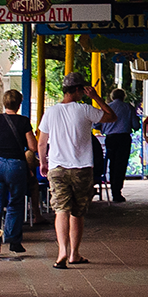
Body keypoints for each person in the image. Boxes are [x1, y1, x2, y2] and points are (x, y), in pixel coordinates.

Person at [38, 71, 116, 268]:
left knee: (61, 210)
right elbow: (111, 116)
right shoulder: (85, 109)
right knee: (78, 212)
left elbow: (42, 143)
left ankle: (61, 251)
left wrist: (43, 163)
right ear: (78, 90)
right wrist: (96, 97)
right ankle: (74, 253)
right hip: (81, 168)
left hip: (57, 168)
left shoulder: (51, 111)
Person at [0, 89, 38, 258]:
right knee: (15, 203)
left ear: (4, 103)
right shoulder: (23, 122)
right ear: (19, 104)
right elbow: (33, 147)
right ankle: (13, 241)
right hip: (16, 165)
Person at [104, 87, 135, 203]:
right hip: (124, 138)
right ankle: (117, 192)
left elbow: (96, 125)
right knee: (121, 165)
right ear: (123, 97)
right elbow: (136, 125)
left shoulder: (107, 107)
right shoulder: (128, 107)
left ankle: (113, 190)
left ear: (112, 97)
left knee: (112, 165)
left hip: (110, 138)